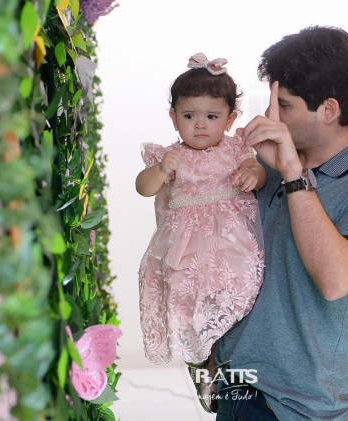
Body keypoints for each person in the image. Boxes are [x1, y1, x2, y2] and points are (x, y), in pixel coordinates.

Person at [214, 26, 348, 420]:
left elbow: (336, 280)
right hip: (236, 389)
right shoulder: (263, 165)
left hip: (300, 409)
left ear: (329, 110)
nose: (271, 117)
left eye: (284, 105)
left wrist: (292, 174)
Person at [135, 53, 266, 413]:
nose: (200, 125)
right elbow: (144, 188)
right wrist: (161, 170)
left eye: (211, 116)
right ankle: (200, 367)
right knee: (185, 306)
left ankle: (221, 362)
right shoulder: (170, 155)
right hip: (185, 251)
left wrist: (253, 174)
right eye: (189, 116)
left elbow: (257, 169)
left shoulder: (235, 148)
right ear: (174, 117)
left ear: (230, 119)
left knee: (231, 301)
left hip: (229, 246)